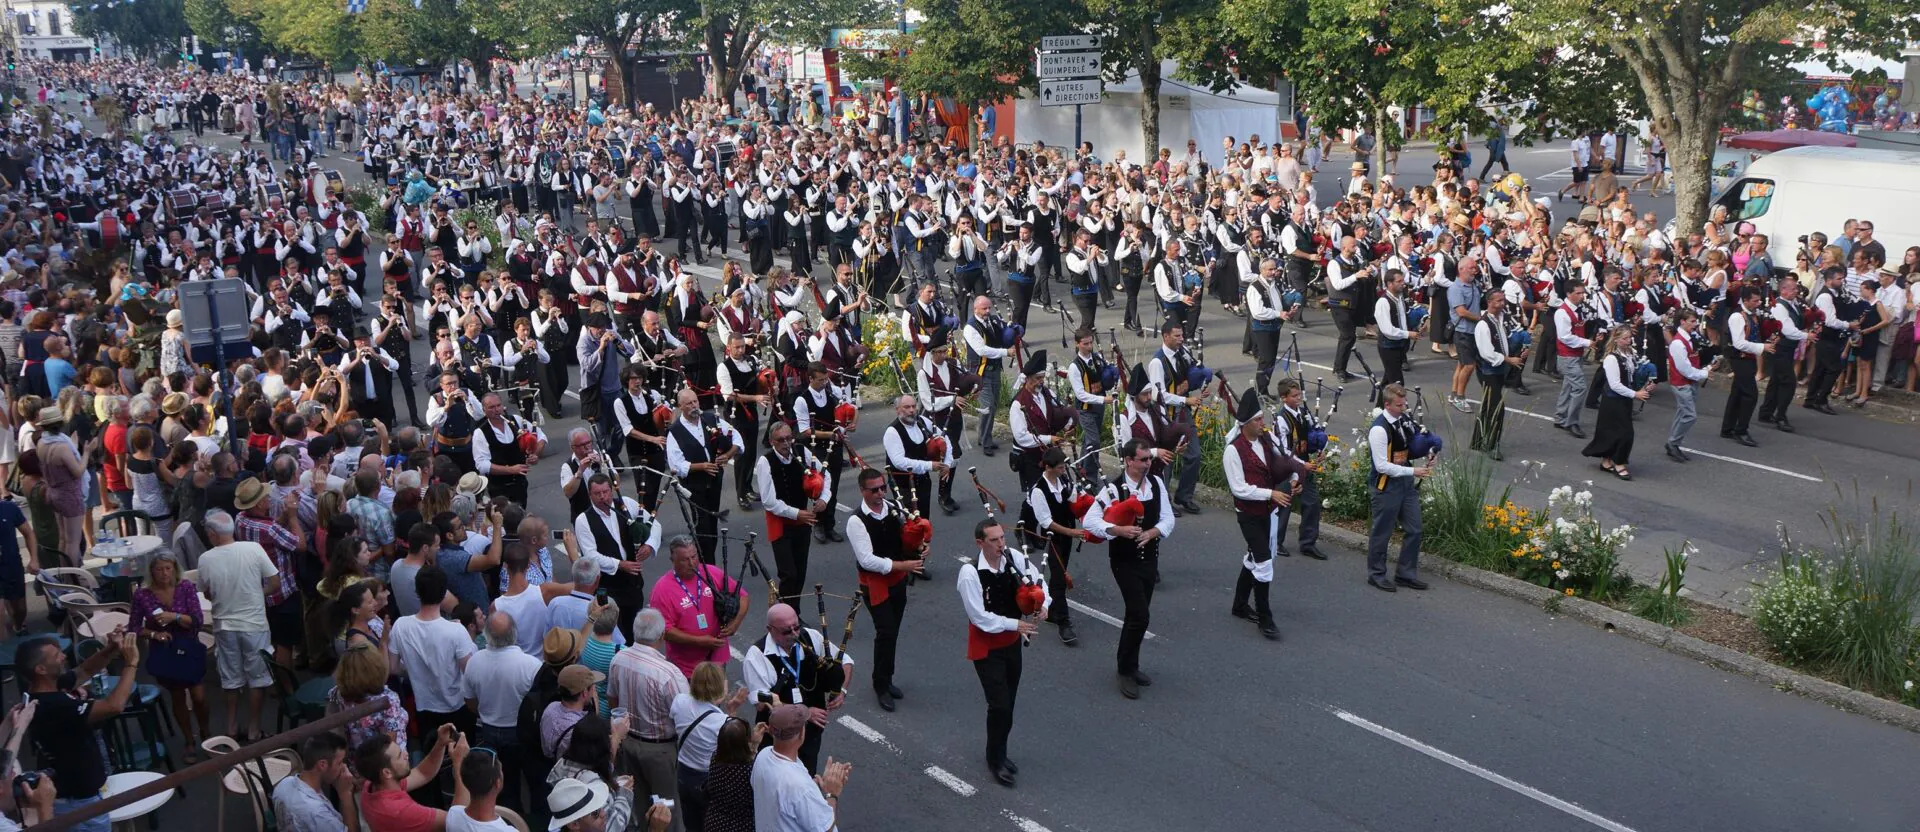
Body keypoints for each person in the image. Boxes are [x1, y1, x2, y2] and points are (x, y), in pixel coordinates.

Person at [16, 632, 139, 832]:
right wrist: (131, 663)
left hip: (73, 794)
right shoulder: (53, 706)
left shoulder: (44, 690)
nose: (64, 656)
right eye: (57, 656)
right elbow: (114, 706)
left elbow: (84, 670)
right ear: (41, 669)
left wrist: (110, 649)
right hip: (78, 803)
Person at [1082, 438, 1175, 700]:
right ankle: (1124, 670)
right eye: (1143, 460)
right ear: (1129, 460)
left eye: (1149, 459)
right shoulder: (1112, 489)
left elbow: (1168, 518)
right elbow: (1090, 521)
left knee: (1137, 616)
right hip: (1124, 561)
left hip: (1149, 560)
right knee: (1139, 615)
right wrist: (1118, 530)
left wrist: (1154, 531)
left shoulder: (1156, 484)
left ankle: (1132, 666)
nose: (1148, 464)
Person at [956, 519, 1046, 787]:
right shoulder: (969, 574)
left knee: (1010, 702)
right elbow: (979, 617)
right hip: (987, 648)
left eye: (1002, 538)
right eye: (994, 540)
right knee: (999, 705)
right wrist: (1015, 624)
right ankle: (995, 759)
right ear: (979, 543)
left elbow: (1037, 582)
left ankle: (1000, 751)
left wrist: (1043, 604)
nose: (1001, 544)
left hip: (1011, 644)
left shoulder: (1013, 558)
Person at [845, 467, 927, 709]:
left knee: (893, 632)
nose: (881, 493)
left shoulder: (892, 509)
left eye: (883, 488)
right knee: (886, 632)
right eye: (875, 490)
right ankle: (880, 684)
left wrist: (919, 548)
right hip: (875, 584)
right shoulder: (856, 521)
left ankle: (887, 678)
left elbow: (904, 538)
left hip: (897, 580)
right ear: (862, 491)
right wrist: (904, 564)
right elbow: (867, 560)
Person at [740, 602, 852, 775]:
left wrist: (841, 690)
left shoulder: (810, 636)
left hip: (811, 732)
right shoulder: (757, 656)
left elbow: (845, 662)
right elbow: (762, 705)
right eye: (787, 631)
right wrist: (806, 713)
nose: (794, 634)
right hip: (777, 736)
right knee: (777, 778)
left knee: (807, 773)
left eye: (796, 627)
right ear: (770, 629)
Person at [197, 508, 280, 742]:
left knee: (230, 678)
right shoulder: (253, 549)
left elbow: (208, 593)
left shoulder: (206, 559)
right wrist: (256, 593)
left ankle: (231, 727)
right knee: (257, 678)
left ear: (213, 533)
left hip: (225, 626)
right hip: (254, 623)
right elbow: (274, 582)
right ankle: (254, 729)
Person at [1224, 388, 1300, 640]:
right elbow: (1239, 489)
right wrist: (1271, 494)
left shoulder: (1265, 441)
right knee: (1264, 561)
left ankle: (1239, 604)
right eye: (1258, 420)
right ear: (1246, 424)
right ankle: (1265, 617)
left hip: (1268, 510)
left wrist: (1295, 478)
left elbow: (1286, 459)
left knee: (1255, 555)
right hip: (1248, 513)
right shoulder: (1233, 450)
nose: (1262, 424)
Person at [606, 608, 688, 832]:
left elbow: (612, 698)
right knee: (666, 809)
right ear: (662, 636)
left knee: (638, 805)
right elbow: (683, 715)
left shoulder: (618, 659)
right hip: (660, 750)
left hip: (628, 741)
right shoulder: (669, 673)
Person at [388, 565, 478, 758]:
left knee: (432, 761)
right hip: (456, 706)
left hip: (423, 708)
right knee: (461, 759)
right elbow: (469, 671)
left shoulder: (400, 626)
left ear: (417, 591)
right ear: (443, 593)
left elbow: (394, 667)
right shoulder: (456, 631)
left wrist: (412, 668)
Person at [129, 550, 212, 756]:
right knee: (177, 697)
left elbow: (197, 620)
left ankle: (206, 732)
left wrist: (173, 616)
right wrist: (154, 634)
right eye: (159, 569)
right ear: (152, 571)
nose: (164, 573)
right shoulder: (142, 594)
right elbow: (134, 627)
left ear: (174, 569)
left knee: (199, 696)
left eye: (168, 568)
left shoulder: (185, 588)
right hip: (165, 651)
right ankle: (188, 739)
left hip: (189, 646)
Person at [462, 612, 542, 817]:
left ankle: (506, 817)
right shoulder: (531, 665)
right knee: (527, 779)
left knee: (499, 782)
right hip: (519, 732)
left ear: (487, 634)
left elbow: (470, 702)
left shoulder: (474, 662)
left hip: (488, 730)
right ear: (514, 633)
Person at [572, 473, 660, 642]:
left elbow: (654, 524)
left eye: (606, 491)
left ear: (611, 490)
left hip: (633, 583)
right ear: (590, 495)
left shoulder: (626, 504)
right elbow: (591, 555)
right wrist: (619, 564)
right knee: (614, 635)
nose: (603, 497)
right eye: (597, 493)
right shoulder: (583, 520)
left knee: (634, 630)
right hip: (608, 587)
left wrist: (650, 545)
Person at [649, 535, 750, 676]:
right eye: (685, 559)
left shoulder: (711, 572)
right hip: (686, 668)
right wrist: (699, 641)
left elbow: (742, 596)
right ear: (673, 561)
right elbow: (664, 630)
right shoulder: (662, 590)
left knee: (718, 697)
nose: (692, 563)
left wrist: (735, 623)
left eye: (694, 557)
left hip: (717, 659)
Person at [755, 422, 832, 605]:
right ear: (772, 441)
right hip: (780, 525)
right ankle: (784, 615)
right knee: (788, 574)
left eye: (789, 438)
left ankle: (794, 613)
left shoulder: (801, 451)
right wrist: (797, 513)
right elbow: (769, 501)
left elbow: (824, 474)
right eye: (781, 440)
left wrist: (824, 498)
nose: (787, 443)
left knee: (800, 570)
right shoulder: (766, 462)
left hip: (803, 521)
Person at [1365, 384, 1433, 592]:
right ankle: (1376, 574)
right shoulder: (1379, 429)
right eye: (1399, 404)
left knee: (1415, 528)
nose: (1403, 407)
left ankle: (1405, 573)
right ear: (1386, 404)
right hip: (1386, 485)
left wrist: (1429, 450)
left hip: (1404, 482)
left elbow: (1410, 446)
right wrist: (1414, 472)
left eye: (1404, 403)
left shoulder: (1403, 420)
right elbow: (1382, 466)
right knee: (1382, 532)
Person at [663, 387, 741, 562]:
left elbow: (736, 437)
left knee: (712, 523)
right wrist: (701, 466)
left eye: (695, 401)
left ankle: (709, 563)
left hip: (714, 482)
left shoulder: (710, 419)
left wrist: (727, 456)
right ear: (680, 406)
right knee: (702, 525)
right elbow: (677, 465)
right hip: (693, 486)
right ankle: (705, 563)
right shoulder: (675, 431)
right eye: (689, 403)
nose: (694, 406)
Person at [671, 662, 748, 832]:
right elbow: (733, 744)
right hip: (707, 779)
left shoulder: (679, 701)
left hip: (683, 772)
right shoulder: (723, 722)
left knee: (690, 821)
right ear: (719, 688)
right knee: (708, 823)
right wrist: (732, 709)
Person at [752, 704, 851, 831]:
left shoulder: (763, 754)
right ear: (801, 734)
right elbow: (826, 828)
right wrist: (832, 793)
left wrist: (812, 785)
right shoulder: (800, 787)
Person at [356, 725, 465, 832]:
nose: (406, 754)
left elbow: (422, 773)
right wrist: (460, 764)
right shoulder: (400, 812)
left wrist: (440, 743)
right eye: (399, 755)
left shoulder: (372, 786)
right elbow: (458, 822)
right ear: (387, 772)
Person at [1583, 328, 1653, 479]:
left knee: (1612, 432)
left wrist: (1644, 386)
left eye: (1629, 338)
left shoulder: (1630, 355)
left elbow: (1631, 376)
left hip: (1624, 399)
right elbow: (1614, 384)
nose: (1629, 341)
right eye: (1625, 339)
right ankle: (1619, 463)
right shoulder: (1611, 359)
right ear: (1616, 340)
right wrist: (1635, 394)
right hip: (1613, 401)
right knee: (1626, 433)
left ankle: (1606, 461)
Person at [1271, 379, 1327, 561]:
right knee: (1284, 504)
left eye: (1299, 395)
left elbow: (1312, 435)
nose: (1299, 399)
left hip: (1304, 463)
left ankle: (1308, 543)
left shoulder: (1303, 413)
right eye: (1294, 396)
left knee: (1311, 503)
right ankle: (1276, 541)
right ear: (1284, 398)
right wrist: (1301, 464)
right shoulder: (1281, 419)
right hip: (1287, 466)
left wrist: (1319, 450)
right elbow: (1282, 449)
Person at [1470, 289, 1525, 460]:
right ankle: (1492, 446)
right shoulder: (1483, 324)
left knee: (1487, 405)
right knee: (1497, 409)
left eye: (1503, 300)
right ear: (1490, 302)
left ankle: (1477, 441)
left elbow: (1516, 332)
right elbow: (1486, 353)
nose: (1502, 304)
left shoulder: (1503, 318)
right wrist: (1509, 359)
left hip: (1499, 368)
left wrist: (1523, 345)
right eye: (1498, 301)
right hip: (1488, 370)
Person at [272, 733, 358, 832]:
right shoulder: (318, 814)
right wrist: (345, 794)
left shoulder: (284, 783)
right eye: (339, 763)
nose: (344, 767)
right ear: (322, 764)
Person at [1757, 278, 1808, 432]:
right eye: (1792, 289)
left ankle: (1766, 412)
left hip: (1788, 348)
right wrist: (1806, 336)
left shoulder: (1793, 304)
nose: (1796, 291)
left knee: (1776, 381)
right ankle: (1781, 416)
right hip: (1780, 349)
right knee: (1788, 382)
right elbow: (1787, 330)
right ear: (1783, 290)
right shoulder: (1779, 307)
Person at [1664, 309, 1713, 461]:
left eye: (1695, 321)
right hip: (1681, 383)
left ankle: (1673, 442)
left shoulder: (1689, 338)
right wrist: (1703, 374)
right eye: (1692, 321)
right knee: (1689, 415)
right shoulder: (1678, 343)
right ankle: (1673, 443)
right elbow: (1683, 368)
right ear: (1682, 322)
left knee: (1682, 412)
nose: (1695, 324)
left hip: (1689, 382)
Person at [701, 718, 763, 832]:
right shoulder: (751, 768)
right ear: (745, 742)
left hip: (715, 822)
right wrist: (755, 745)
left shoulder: (715, 758)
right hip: (743, 825)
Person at [1551, 283, 1594, 439]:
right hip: (1567, 356)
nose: (1582, 296)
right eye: (1578, 293)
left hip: (1575, 355)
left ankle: (1560, 416)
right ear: (1569, 294)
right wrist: (1586, 342)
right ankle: (1571, 421)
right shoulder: (1562, 313)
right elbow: (1565, 337)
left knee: (1569, 386)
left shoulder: (1578, 310)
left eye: (1583, 293)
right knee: (1580, 387)